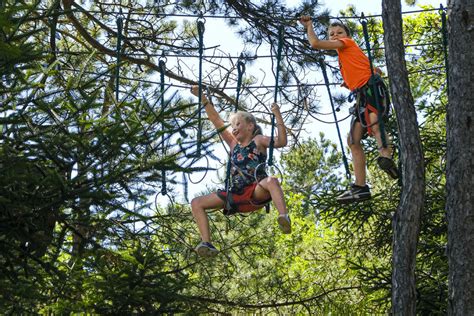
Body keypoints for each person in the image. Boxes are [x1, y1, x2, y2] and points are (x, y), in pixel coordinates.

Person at [299, 17, 399, 204]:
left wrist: (309, 26)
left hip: (370, 90)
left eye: (339, 33)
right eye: (332, 34)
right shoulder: (345, 56)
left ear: (347, 36)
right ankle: (360, 187)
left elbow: (315, 43)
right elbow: (371, 68)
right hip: (361, 94)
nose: (335, 36)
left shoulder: (347, 43)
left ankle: (386, 156)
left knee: (375, 124)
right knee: (353, 140)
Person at [190, 85, 291, 258]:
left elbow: (281, 141)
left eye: (238, 124)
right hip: (234, 193)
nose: (234, 128)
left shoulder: (258, 141)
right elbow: (216, 121)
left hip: (256, 189)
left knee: (272, 181)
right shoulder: (232, 144)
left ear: (250, 126)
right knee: (196, 203)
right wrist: (203, 98)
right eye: (232, 125)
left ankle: (284, 217)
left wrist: (277, 115)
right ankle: (207, 242)